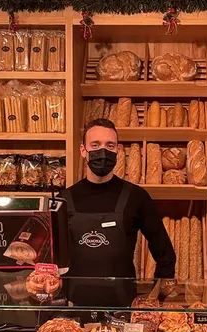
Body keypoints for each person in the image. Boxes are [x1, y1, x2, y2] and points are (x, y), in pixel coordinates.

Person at [61, 118, 175, 279]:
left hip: (123, 302)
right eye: (95, 145)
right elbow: (47, 255)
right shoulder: (63, 200)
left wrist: (158, 293)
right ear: (82, 150)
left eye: (110, 146)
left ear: (118, 150)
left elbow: (165, 253)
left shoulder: (136, 197)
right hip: (73, 302)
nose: (103, 151)